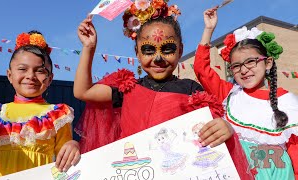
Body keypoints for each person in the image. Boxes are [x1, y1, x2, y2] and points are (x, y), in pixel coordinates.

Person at [74, 1, 253, 179]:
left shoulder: (191, 90)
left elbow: (211, 131)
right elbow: (83, 92)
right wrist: (89, 48)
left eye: (167, 49)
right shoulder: (127, 89)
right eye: (148, 50)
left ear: (180, 50)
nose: (158, 58)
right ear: (137, 52)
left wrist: (224, 128)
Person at [194, 7, 298, 179]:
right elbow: (201, 69)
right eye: (236, 66)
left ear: (268, 63)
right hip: (239, 172)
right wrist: (208, 29)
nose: (244, 70)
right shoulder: (230, 94)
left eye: (251, 61)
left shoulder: (289, 102)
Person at [0, 31, 80, 179]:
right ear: (9, 75)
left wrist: (73, 146)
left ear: (50, 79)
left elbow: (63, 161)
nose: (30, 76)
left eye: (40, 71)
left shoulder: (58, 115)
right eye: (22, 69)